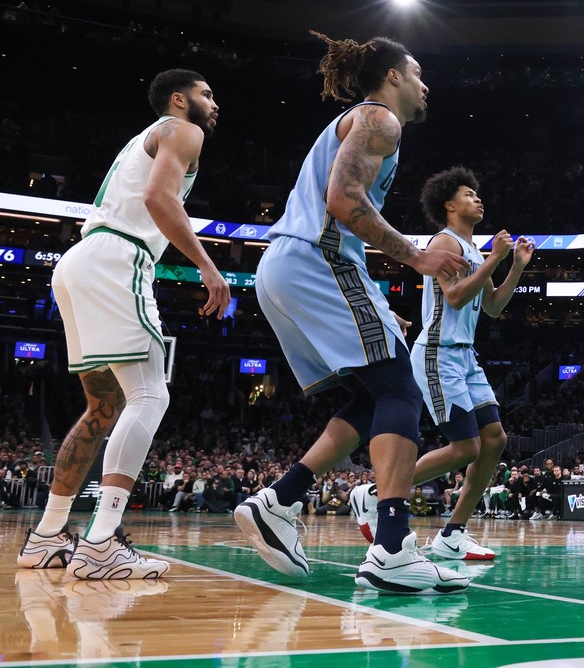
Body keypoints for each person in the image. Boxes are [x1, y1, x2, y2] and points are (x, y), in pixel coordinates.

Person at [235, 31, 471, 596]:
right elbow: (343, 203)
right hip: (317, 260)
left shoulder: (359, 123)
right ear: (393, 77)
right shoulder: (379, 121)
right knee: (402, 390)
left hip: (293, 266)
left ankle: (281, 498)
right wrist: (418, 256)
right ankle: (392, 547)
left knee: (371, 395)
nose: (425, 83)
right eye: (417, 72)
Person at [18, 70, 229, 579]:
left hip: (79, 262)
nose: (214, 104)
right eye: (206, 94)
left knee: (103, 407)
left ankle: (46, 536)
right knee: (151, 395)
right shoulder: (184, 130)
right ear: (179, 100)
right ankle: (100, 544)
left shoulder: (146, 138)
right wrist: (207, 265)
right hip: (119, 258)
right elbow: (161, 200)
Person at [349, 167, 533, 562]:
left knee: (495, 441)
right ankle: (377, 493)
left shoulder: (475, 250)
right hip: (437, 351)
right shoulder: (443, 241)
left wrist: (514, 265)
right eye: (469, 194)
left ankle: (453, 533)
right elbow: (453, 297)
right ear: (449, 205)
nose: (478, 199)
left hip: (466, 355)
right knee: (465, 446)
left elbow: (495, 307)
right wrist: (494, 260)